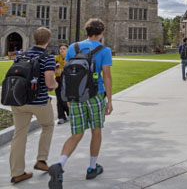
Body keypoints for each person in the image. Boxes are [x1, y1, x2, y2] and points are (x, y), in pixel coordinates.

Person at [48, 18, 113, 189]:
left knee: (76, 133)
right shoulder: (104, 50)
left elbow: (68, 74)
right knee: (96, 131)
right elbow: (107, 76)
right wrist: (110, 100)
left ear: (86, 31)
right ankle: (92, 167)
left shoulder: (73, 48)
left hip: (76, 97)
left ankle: (60, 164)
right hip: (95, 96)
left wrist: (68, 98)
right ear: (101, 33)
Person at [9, 27, 58, 184]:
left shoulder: (21, 56)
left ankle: (17, 173)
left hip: (19, 100)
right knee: (48, 126)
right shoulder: (47, 58)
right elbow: (50, 83)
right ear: (48, 40)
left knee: (19, 134)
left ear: (33, 38)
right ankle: (41, 160)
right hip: (39, 102)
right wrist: (56, 83)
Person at [54, 44, 69, 125]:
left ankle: (69, 113)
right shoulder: (57, 58)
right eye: (60, 49)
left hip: (67, 81)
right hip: (58, 80)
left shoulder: (70, 58)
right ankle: (61, 117)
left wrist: (62, 70)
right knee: (59, 99)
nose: (62, 50)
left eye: (64, 49)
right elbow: (57, 70)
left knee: (65, 99)